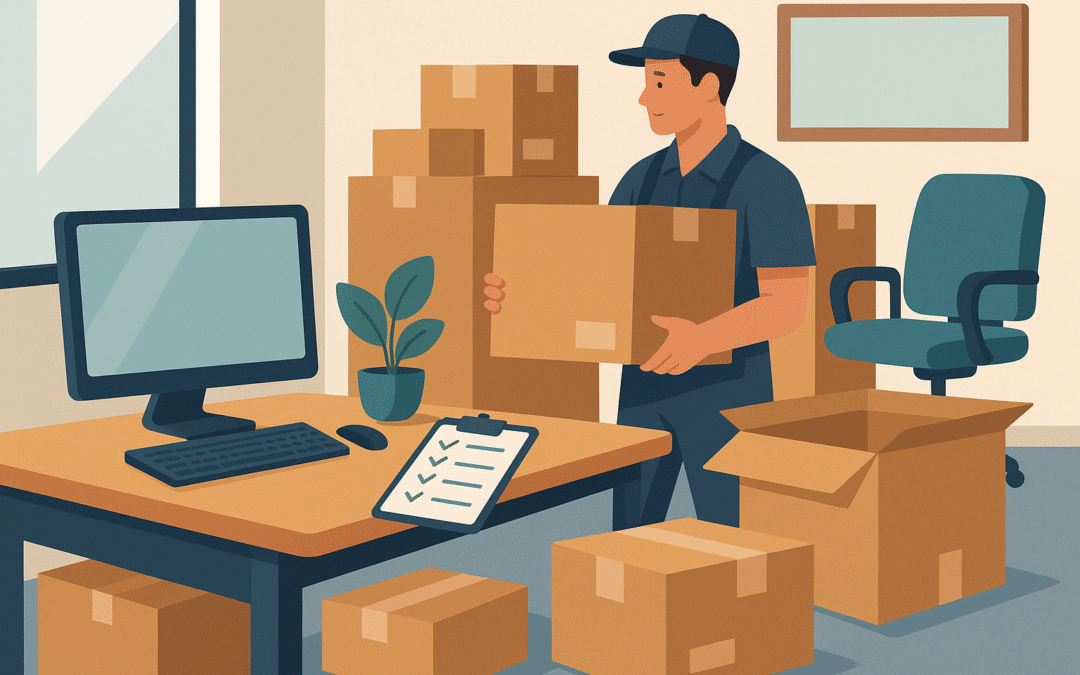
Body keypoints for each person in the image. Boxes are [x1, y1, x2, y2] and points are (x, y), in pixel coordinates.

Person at [483, 14, 816, 527]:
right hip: (642, 389)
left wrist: (702, 339)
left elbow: (788, 306)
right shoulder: (640, 180)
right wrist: (524, 297)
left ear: (709, 85)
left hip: (727, 394)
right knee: (629, 537)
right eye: (646, 82)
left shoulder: (768, 182)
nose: (644, 98)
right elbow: (601, 279)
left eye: (659, 81)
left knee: (734, 540)